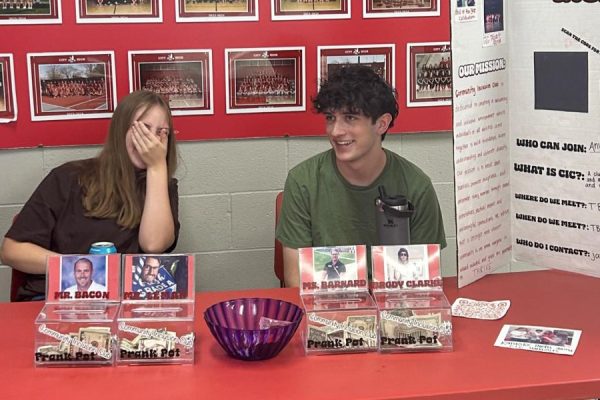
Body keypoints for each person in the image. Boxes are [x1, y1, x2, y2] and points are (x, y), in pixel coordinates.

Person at [0, 90, 180, 301]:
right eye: (143, 128)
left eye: (162, 132)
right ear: (121, 130)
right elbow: (12, 250)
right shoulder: (68, 177)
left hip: (127, 301)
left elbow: (154, 245)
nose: (151, 140)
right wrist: (80, 269)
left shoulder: (161, 186)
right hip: (59, 298)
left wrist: (157, 167)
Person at [276, 65, 446, 287]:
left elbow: (424, 281)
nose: (335, 131)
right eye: (330, 117)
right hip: (325, 311)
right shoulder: (302, 182)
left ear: (381, 124)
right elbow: (295, 282)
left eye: (350, 117)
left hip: (394, 309)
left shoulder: (416, 186)